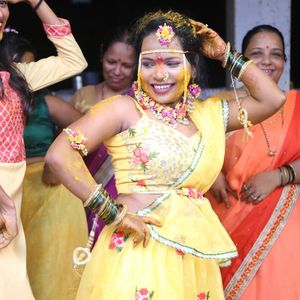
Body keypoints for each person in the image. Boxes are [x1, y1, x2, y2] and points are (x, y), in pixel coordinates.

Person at [45, 10, 285, 299]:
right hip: (138, 251)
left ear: (192, 67)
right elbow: (59, 154)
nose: (159, 74)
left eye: (172, 63)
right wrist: (113, 214)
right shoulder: (124, 110)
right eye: (148, 63)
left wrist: (225, 54)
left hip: (191, 262)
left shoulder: (208, 115)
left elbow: (273, 98)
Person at [0, 0, 87, 299]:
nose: (0, 13)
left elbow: (74, 61)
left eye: (1, 3)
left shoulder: (17, 77)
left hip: (10, 211)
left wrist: (36, 2)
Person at [206, 25, 300, 299]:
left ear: (284, 61)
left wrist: (279, 175)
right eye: (256, 54)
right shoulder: (219, 106)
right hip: (226, 221)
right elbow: (190, 151)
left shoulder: (297, 104)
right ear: (241, 60)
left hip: (285, 223)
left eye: (276, 54)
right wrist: (211, 174)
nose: (267, 61)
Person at [70, 26, 137, 240]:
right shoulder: (84, 96)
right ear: (101, 56)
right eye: (111, 62)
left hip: (125, 196)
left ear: (138, 65)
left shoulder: (141, 101)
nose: (117, 71)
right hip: (83, 192)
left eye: (126, 65)